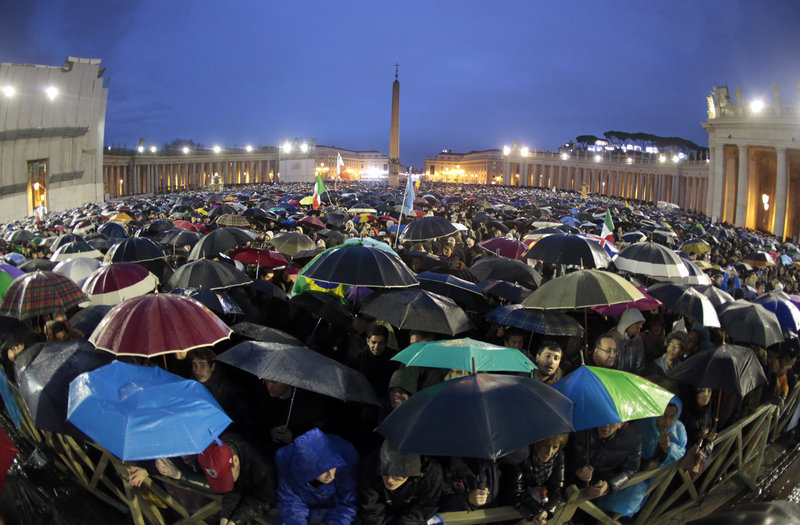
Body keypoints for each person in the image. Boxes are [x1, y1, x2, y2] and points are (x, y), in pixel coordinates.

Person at [157, 435, 275, 525]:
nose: (227, 481)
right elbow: (232, 490)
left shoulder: (263, 469)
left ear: (235, 461)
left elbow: (263, 500)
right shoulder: (212, 451)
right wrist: (225, 517)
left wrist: (236, 520)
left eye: (227, 477)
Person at [275, 428, 359, 525]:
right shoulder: (288, 468)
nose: (331, 475)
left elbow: (347, 504)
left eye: (333, 466)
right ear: (307, 470)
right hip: (308, 510)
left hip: (336, 512)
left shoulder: (346, 463)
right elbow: (291, 504)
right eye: (323, 471)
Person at [359, 440, 443, 525]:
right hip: (383, 510)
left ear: (411, 474)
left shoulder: (431, 473)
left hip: (411, 513)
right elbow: (371, 506)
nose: (390, 480)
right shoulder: (369, 466)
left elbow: (426, 507)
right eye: (384, 474)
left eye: (397, 477)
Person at [567, 421, 642, 511]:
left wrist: (609, 485)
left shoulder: (633, 439)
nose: (605, 426)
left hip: (599, 485)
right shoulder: (581, 426)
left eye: (612, 422)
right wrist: (576, 470)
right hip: (569, 478)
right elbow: (562, 452)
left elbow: (630, 470)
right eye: (603, 419)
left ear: (621, 424)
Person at [507, 434, 568, 524]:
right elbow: (516, 492)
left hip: (540, 507)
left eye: (555, 447)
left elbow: (557, 488)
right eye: (545, 446)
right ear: (536, 444)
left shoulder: (558, 456)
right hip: (513, 508)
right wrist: (537, 511)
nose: (549, 452)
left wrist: (547, 511)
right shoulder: (522, 456)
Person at [347, 323, 399, 397]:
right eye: (373, 342)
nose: (376, 347)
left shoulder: (393, 358)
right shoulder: (359, 359)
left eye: (381, 343)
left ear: (386, 343)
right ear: (368, 341)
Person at [608, 308, 646, 374]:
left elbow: (640, 366)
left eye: (641, 323)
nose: (640, 326)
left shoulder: (638, 341)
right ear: (628, 323)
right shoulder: (612, 339)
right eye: (637, 323)